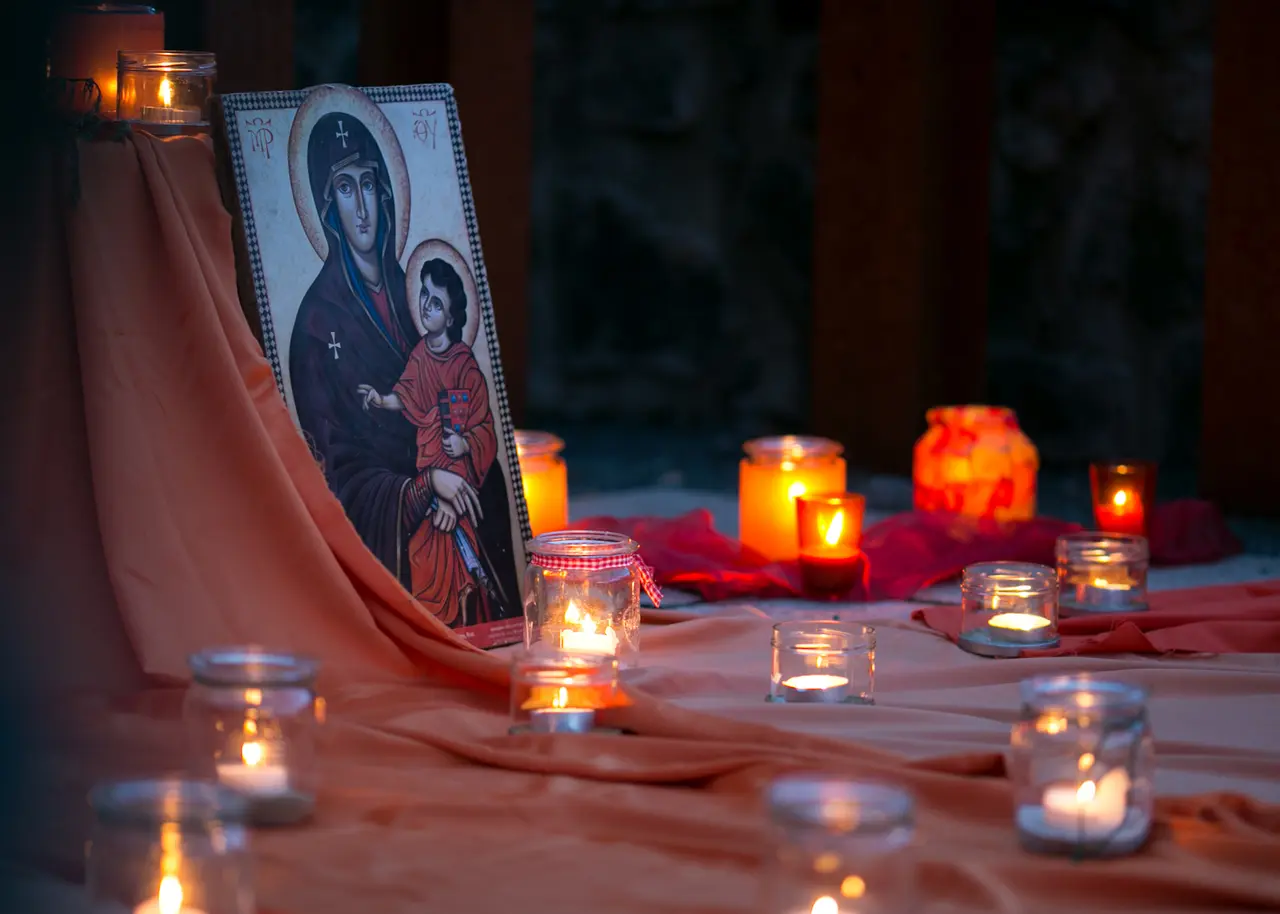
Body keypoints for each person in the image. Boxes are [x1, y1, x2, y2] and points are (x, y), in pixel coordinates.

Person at [288, 113, 482, 591]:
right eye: (346, 188)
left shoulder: (418, 290)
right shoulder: (316, 325)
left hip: (453, 492)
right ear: (328, 205)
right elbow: (337, 475)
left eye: (368, 185)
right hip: (391, 529)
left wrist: (458, 463)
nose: (362, 209)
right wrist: (423, 488)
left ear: (385, 193)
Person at [358, 259, 506, 627]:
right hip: (430, 478)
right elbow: (406, 395)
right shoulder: (421, 355)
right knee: (420, 554)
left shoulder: (464, 366)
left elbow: (484, 427)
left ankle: (462, 626)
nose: (425, 305)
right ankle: (430, 631)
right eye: (424, 294)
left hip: (458, 482)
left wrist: (467, 443)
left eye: (436, 302)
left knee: (454, 558)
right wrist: (381, 400)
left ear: (452, 317)